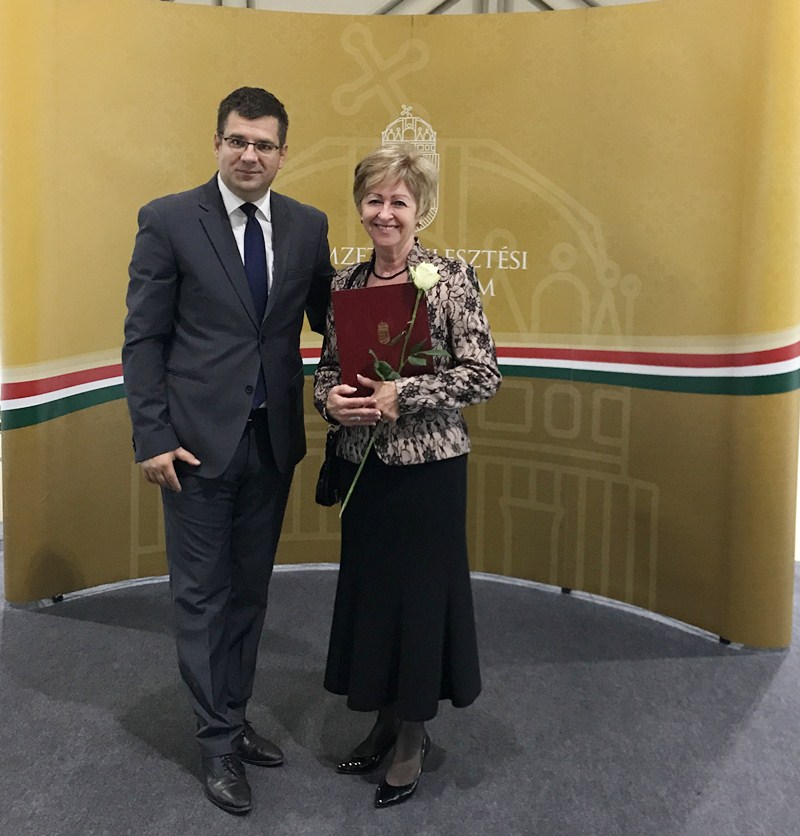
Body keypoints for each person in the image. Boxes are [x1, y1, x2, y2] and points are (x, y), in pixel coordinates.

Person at [122, 86, 333, 816]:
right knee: (201, 595)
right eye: (237, 140)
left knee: (249, 592)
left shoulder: (307, 226)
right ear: (217, 143)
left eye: (263, 144)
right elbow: (144, 339)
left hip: (271, 445)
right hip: (193, 448)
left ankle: (234, 716)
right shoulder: (169, 220)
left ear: (283, 153)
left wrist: (408, 295)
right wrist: (152, 435)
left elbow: (332, 317)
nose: (250, 155)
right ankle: (215, 743)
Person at [313, 146, 501, 809]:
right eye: (375, 200)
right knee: (374, 596)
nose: (385, 212)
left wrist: (407, 394)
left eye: (399, 201)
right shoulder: (345, 284)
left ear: (421, 209)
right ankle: (383, 719)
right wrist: (330, 401)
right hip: (363, 469)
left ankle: (412, 735)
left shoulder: (450, 277)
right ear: (360, 207)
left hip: (429, 471)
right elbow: (328, 368)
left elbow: (483, 373)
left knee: (419, 600)